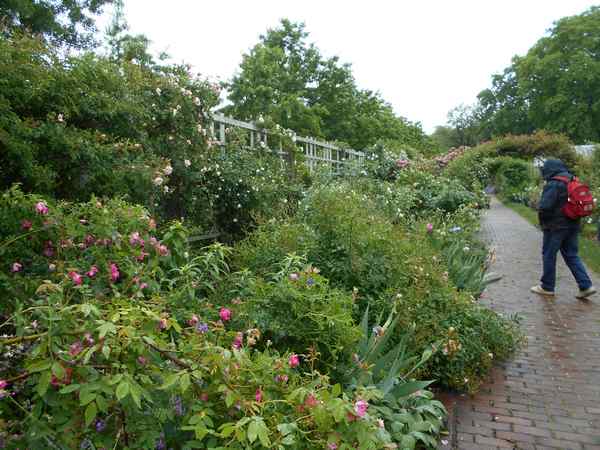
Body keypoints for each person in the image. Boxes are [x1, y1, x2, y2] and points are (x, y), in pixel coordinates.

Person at [530, 159, 596, 299]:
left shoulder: (554, 183)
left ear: (550, 169)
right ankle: (586, 286)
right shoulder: (572, 179)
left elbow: (545, 206)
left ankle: (547, 287)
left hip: (556, 226)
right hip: (573, 224)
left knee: (549, 254)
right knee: (572, 255)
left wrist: (543, 222)